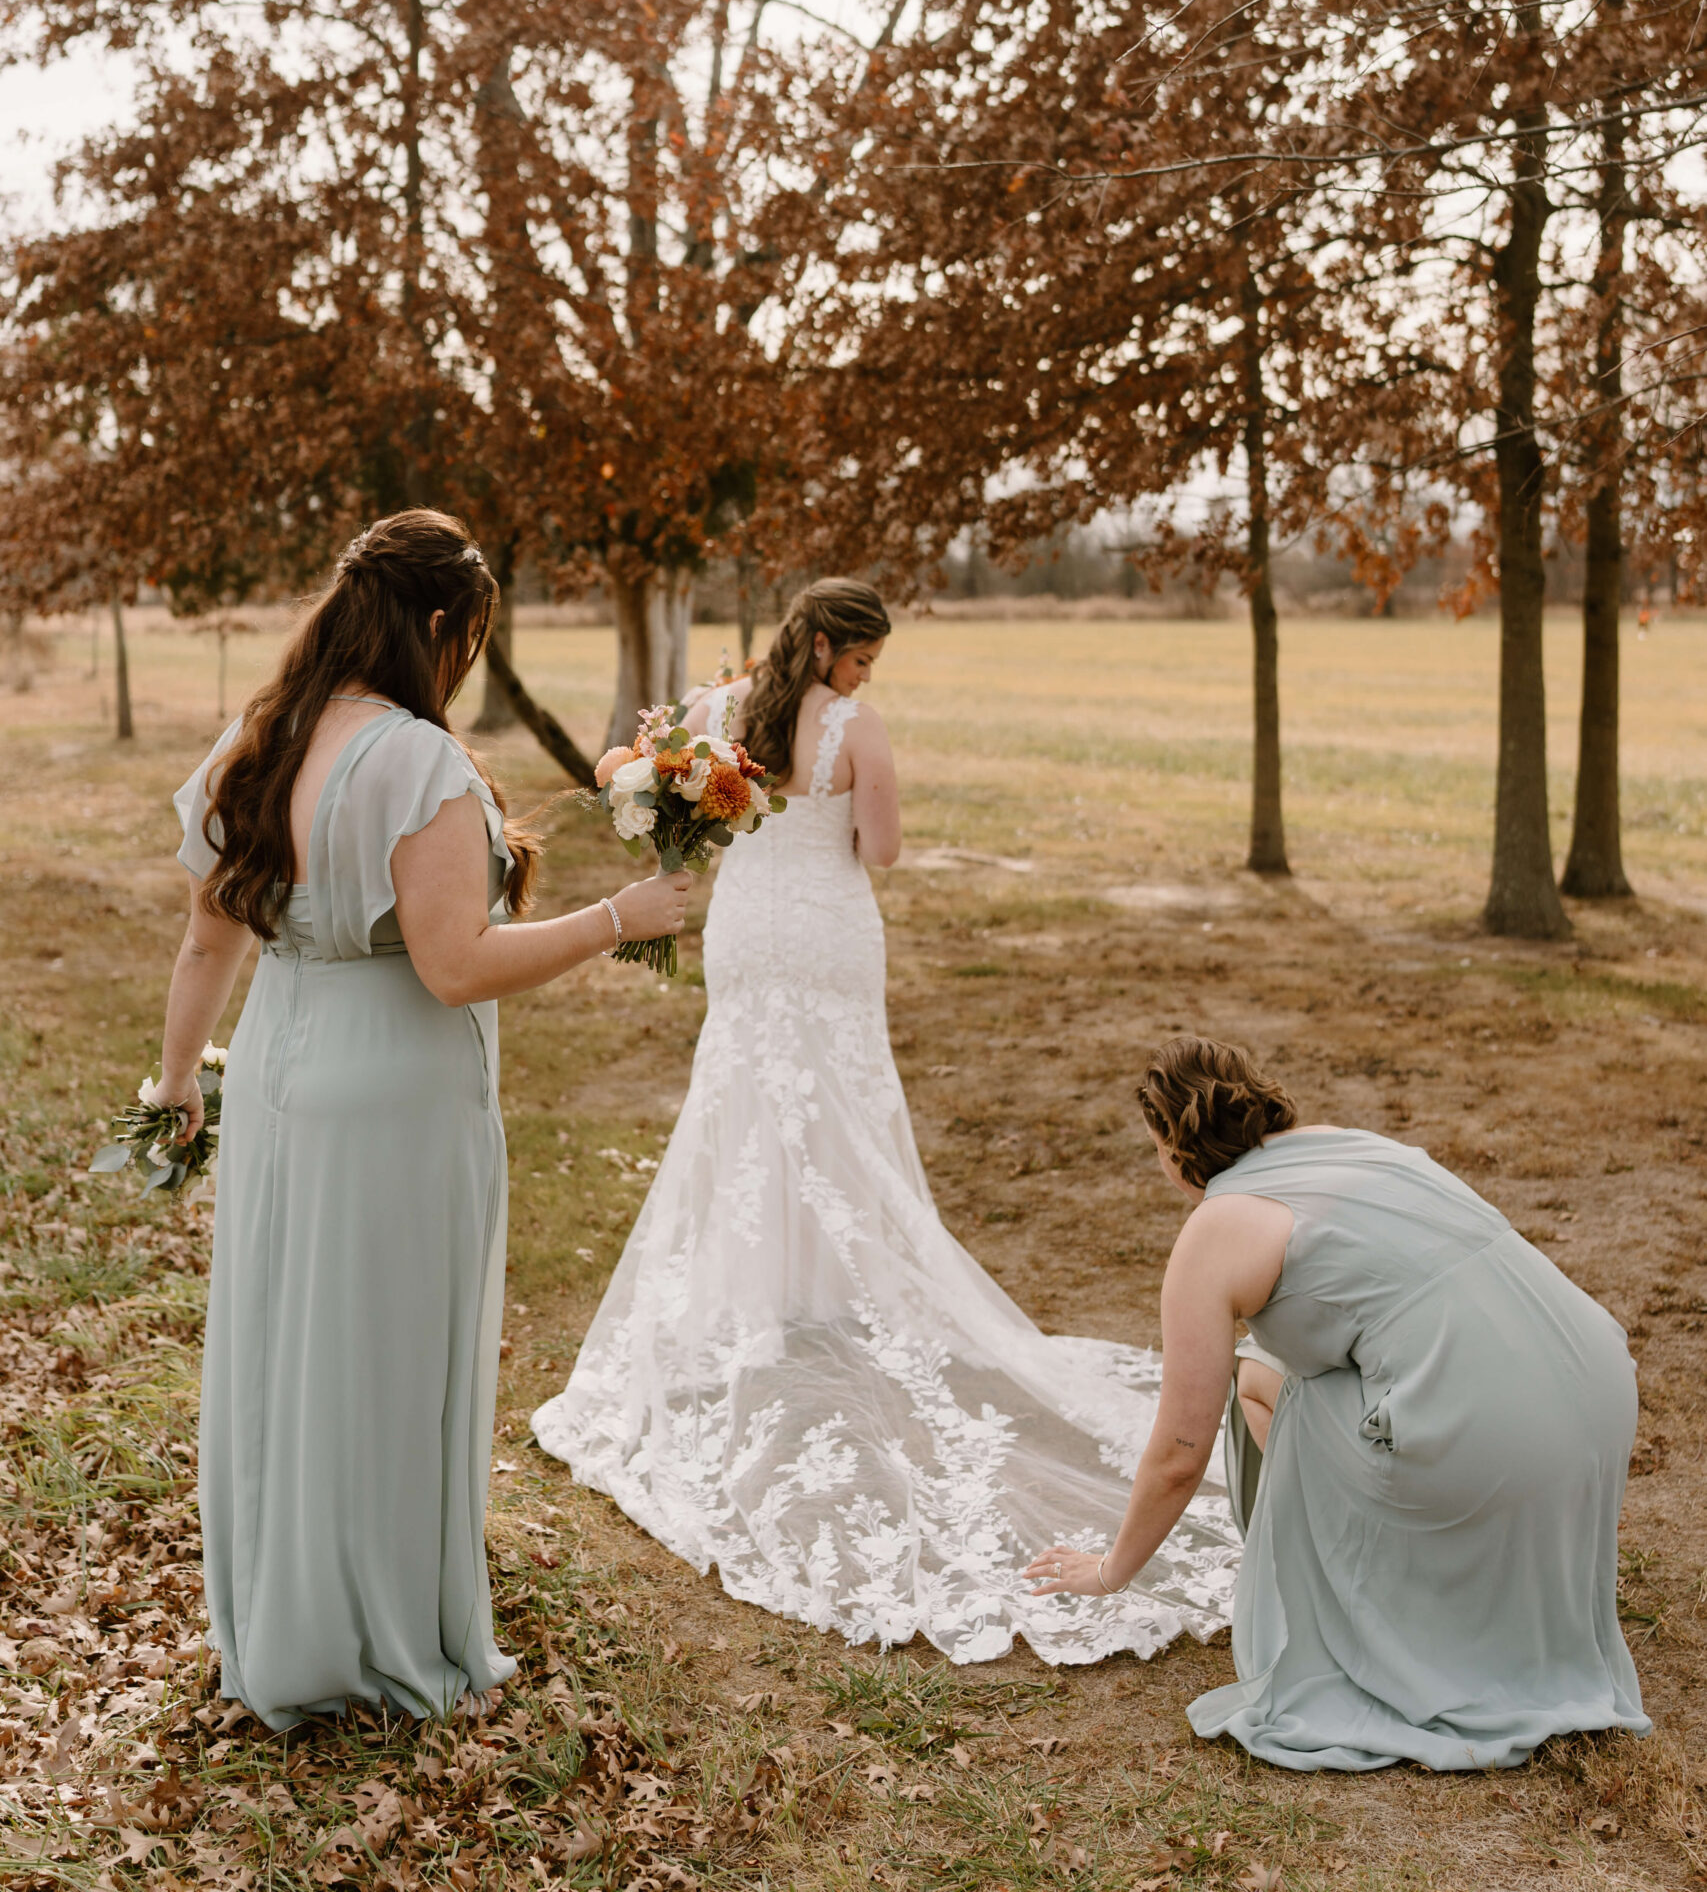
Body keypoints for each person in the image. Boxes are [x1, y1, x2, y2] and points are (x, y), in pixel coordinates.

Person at [531, 580, 1241, 1664]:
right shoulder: (857, 729)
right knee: (839, 1119)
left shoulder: (718, 712)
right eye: (861, 656)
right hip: (825, 936)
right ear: (824, 645)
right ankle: (822, 1295)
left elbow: (664, 788)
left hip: (750, 934)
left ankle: (783, 1299)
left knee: (746, 1112)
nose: (867, 676)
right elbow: (885, 850)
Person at [161, 509, 688, 1731]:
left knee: (293, 1349)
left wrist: (182, 1077)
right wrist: (621, 917)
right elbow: (453, 964)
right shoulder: (420, 763)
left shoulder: (265, 736)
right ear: (443, 626)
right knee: (386, 1354)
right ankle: (379, 1629)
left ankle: (284, 1621)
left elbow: (206, 934)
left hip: (285, 1080)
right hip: (394, 1091)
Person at [1025, 1037, 1650, 1771]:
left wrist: (1110, 1570)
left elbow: (1177, 1454)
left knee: (1265, 1380)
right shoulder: (1350, 1145)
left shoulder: (1216, 1230)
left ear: (1172, 1146)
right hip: (1596, 1397)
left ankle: (1361, 1615)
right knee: (1279, 1365)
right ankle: (1427, 1591)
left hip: (1487, 1439)